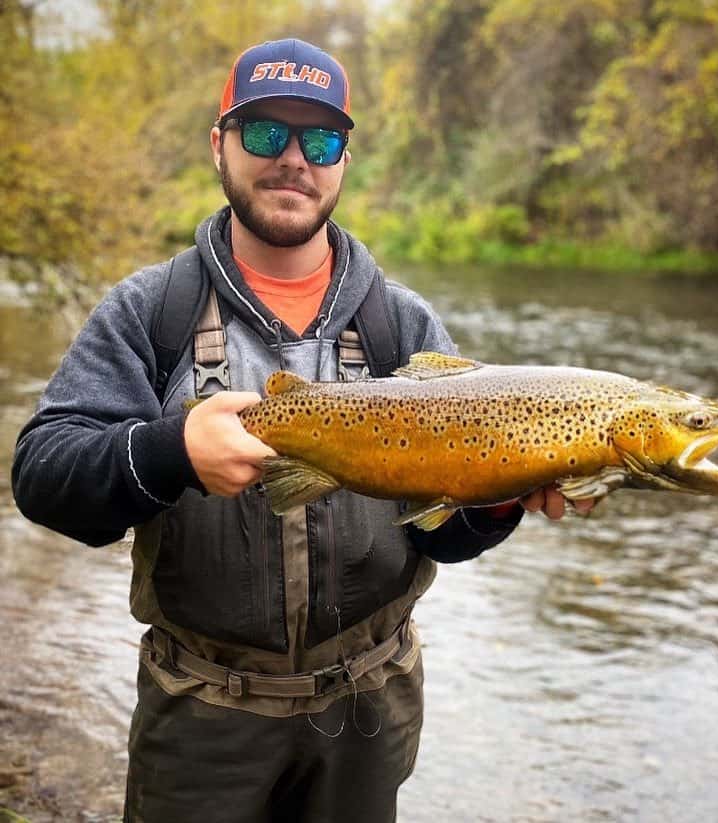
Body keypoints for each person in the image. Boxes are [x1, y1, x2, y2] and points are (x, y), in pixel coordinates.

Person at [12, 38, 592, 823]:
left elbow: (442, 537)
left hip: (369, 711)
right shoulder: (152, 312)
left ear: (344, 160)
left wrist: (497, 498)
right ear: (218, 143)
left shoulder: (403, 326)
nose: (293, 159)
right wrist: (168, 450)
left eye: (319, 140)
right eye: (264, 134)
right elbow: (44, 477)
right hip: (200, 716)